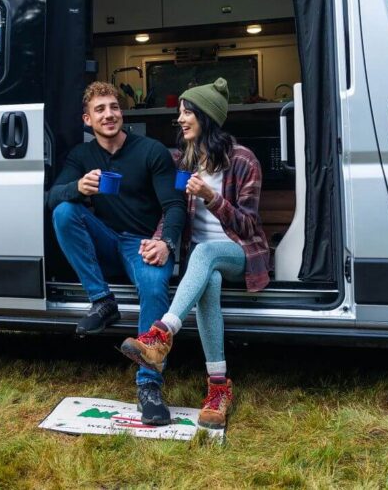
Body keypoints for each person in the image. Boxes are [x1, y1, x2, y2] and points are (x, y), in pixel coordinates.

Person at [119, 78, 270, 429]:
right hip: (202, 261)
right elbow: (172, 208)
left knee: (206, 255)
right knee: (209, 283)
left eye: (187, 112)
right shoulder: (182, 162)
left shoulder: (244, 160)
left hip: (241, 252)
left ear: (207, 117)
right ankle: (218, 389)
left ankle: (161, 335)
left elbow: (249, 226)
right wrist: (160, 239)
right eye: (180, 112)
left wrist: (211, 197)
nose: (181, 119)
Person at [47, 81, 186, 426]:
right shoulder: (82, 156)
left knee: (155, 286)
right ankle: (103, 301)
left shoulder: (151, 151)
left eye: (114, 107)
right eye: (100, 109)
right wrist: (77, 188)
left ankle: (149, 386)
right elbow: (52, 196)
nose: (109, 114)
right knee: (64, 211)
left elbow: (175, 204)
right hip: (107, 240)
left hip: (142, 243)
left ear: (122, 113)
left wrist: (165, 243)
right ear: (87, 119)